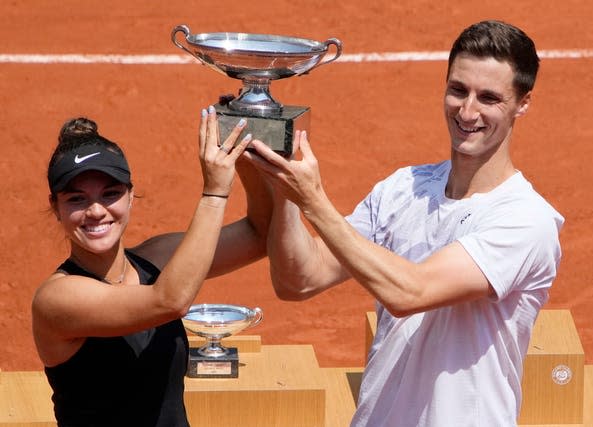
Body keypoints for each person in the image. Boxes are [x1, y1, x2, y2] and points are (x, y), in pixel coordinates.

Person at [245, 20, 564, 426]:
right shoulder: (403, 189)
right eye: (457, 90)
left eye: (489, 98)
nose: (467, 111)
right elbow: (299, 280)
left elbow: (411, 291)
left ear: (523, 103)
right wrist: (282, 181)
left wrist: (315, 202)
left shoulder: (526, 220)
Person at [31, 106, 270, 426]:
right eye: (77, 199)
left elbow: (260, 233)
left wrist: (243, 145)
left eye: (111, 194)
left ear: (131, 196)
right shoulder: (57, 299)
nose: (96, 211)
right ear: (56, 208)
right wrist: (214, 191)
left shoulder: (156, 258)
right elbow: (170, 300)